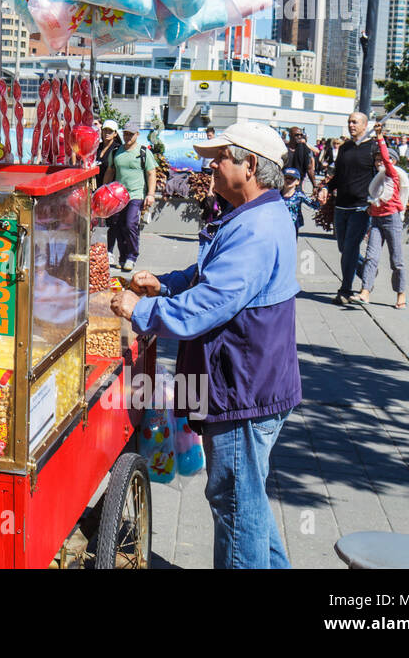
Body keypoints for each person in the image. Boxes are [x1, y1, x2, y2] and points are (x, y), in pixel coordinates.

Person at [110, 122, 300, 569]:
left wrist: (139, 310)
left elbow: (207, 307)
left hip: (243, 391)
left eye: (221, 157)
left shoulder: (257, 227)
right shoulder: (254, 215)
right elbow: (207, 277)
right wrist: (166, 283)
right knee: (247, 506)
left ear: (251, 166)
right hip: (251, 385)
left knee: (235, 508)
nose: (209, 164)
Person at [317, 112, 377, 306]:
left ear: (365, 125)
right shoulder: (345, 148)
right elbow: (339, 175)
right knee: (344, 247)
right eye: (349, 122)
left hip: (361, 207)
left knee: (350, 248)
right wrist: (326, 187)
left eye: (355, 122)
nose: (351, 125)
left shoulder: (372, 148)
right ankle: (366, 272)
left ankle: (345, 290)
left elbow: (382, 177)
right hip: (341, 205)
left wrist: (375, 202)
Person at [353, 124, 409, 309]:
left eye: (382, 160)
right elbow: (374, 198)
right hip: (376, 220)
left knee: (396, 260)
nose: (379, 163)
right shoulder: (376, 181)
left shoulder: (392, 174)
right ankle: (365, 292)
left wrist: (379, 137)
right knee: (371, 257)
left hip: (391, 219)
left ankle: (401, 293)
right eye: (376, 160)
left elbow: (386, 157)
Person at [107, 123, 157, 272]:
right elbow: (110, 171)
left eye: (131, 134)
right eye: (126, 134)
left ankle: (132, 256)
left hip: (136, 195)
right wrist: (105, 190)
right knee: (118, 225)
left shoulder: (143, 152)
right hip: (118, 196)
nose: (128, 137)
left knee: (130, 224)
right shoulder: (116, 151)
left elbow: (151, 173)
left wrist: (151, 194)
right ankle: (123, 257)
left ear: (137, 135)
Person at [280, 168, 316, 236]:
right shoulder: (277, 195)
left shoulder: (299, 195)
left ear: (298, 181)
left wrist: (320, 199)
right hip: (279, 224)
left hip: (293, 225)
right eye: (286, 178)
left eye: (292, 178)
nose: (288, 180)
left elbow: (314, 205)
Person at [284, 128, 316, 193]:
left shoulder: (304, 150)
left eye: (301, 135)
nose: (299, 137)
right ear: (290, 135)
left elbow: (309, 168)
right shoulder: (284, 149)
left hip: (297, 184)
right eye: (296, 135)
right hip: (283, 184)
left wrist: (314, 185)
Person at [96, 119, 122, 188]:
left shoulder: (117, 149)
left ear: (115, 134)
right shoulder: (97, 147)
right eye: (105, 130)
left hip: (109, 188)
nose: (107, 133)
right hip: (95, 186)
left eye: (110, 131)